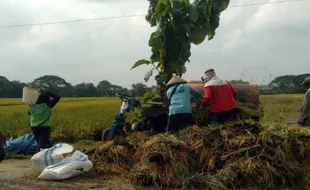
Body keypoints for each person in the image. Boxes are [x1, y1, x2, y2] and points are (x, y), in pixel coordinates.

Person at [28, 88, 60, 152]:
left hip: (34, 127)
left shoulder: (32, 106)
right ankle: (39, 158)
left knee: (40, 143)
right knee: (42, 146)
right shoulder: (48, 105)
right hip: (44, 127)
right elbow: (57, 97)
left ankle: (42, 156)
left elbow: (29, 113)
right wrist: (47, 92)